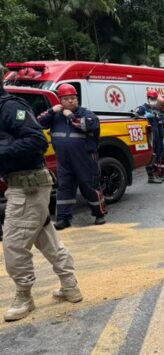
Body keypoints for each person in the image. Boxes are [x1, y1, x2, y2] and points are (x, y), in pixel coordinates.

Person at [0, 79, 82, 321]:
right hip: (23, 184)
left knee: (14, 243)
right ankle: (70, 286)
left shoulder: (10, 107)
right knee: (46, 238)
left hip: (28, 186)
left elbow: (37, 141)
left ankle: (24, 295)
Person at [38, 84, 107, 230]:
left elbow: (87, 126)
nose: (70, 101)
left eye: (73, 98)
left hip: (85, 159)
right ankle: (63, 218)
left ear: (77, 99)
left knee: (89, 187)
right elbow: (38, 122)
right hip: (64, 160)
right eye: (66, 99)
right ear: (60, 101)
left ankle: (99, 214)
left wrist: (70, 115)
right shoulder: (56, 115)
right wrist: (51, 111)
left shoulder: (87, 114)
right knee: (65, 187)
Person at [134, 90, 164, 184]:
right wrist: (144, 116)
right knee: (151, 156)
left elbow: (160, 124)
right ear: (148, 99)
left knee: (157, 156)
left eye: (155, 99)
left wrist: (162, 138)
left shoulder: (155, 110)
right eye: (152, 98)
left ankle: (155, 174)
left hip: (156, 138)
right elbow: (135, 116)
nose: (154, 100)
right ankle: (151, 176)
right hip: (149, 138)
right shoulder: (142, 108)